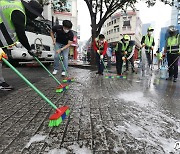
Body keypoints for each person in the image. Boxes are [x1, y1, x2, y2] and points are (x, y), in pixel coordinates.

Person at [0, 0, 44, 91]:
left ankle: (1, 82)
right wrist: (29, 49)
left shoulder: (18, 6)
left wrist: (35, 26)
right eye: (35, 15)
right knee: (1, 58)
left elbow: (24, 21)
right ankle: (1, 83)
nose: (35, 17)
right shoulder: (18, 12)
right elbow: (21, 34)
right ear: (30, 11)